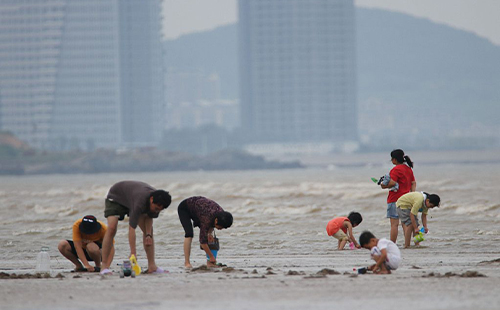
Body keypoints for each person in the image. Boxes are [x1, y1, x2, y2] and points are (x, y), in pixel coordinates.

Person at [100, 181, 171, 275]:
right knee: (112, 228)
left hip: (131, 198)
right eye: (156, 208)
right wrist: (133, 252)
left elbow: (149, 218)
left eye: (159, 210)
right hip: (116, 198)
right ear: (151, 199)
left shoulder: (158, 203)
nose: (157, 211)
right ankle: (104, 267)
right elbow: (132, 228)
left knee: (148, 233)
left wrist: (148, 235)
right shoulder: (140, 201)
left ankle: (152, 266)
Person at [178, 196, 233, 268]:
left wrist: (209, 234)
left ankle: (210, 263)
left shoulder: (222, 214)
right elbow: (202, 242)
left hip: (201, 210)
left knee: (211, 238)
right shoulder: (207, 219)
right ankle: (187, 263)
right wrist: (211, 256)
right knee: (189, 234)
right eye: (220, 227)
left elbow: (210, 229)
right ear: (216, 221)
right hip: (185, 208)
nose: (220, 229)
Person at [380, 149, 416, 243]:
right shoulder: (408, 169)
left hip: (395, 199)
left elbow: (392, 183)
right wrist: (412, 194)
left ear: (394, 159)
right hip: (407, 199)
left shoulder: (395, 169)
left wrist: (384, 186)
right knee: (405, 223)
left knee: (394, 224)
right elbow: (413, 182)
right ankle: (407, 243)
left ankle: (392, 244)